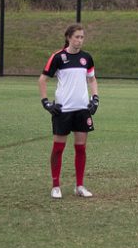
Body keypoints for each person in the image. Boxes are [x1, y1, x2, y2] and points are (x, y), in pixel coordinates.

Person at [38, 24, 99, 199]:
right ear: (68, 37)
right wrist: (46, 103)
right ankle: (55, 185)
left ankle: (79, 186)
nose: (79, 40)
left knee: (81, 148)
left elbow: (92, 80)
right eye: (76, 37)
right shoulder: (58, 57)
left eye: (82, 37)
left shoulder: (86, 58)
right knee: (58, 148)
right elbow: (42, 80)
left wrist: (95, 99)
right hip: (63, 110)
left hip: (82, 110)